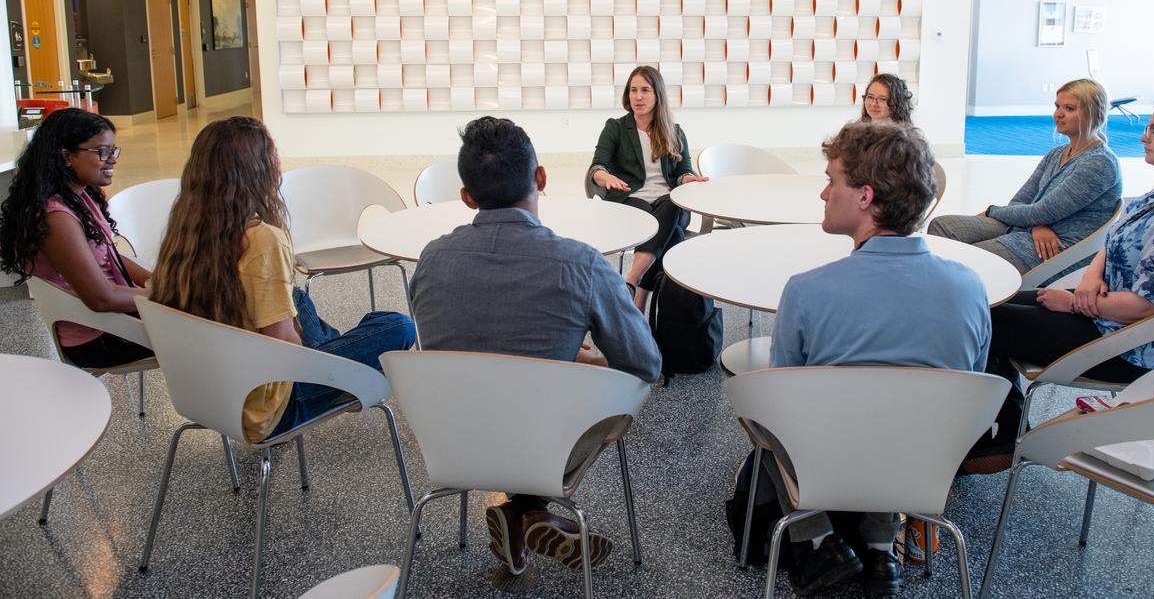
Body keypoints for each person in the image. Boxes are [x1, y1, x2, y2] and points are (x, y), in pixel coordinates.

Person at [411, 116, 661, 579]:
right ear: (541, 178)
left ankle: (519, 511)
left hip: (455, 443)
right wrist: (587, 359)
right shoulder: (580, 263)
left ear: (467, 197)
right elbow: (645, 363)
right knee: (620, 385)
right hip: (548, 449)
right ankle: (530, 507)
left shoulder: (430, 260)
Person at [760, 122, 991, 597]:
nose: (824, 193)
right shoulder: (971, 289)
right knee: (903, 405)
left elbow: (779, 400)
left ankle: (819, 537)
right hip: (925, 470)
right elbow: (974, 383)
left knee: (762, 408)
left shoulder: (807, 291)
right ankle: (883, 552)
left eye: (832, 180)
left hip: (828, 470)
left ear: (865, 197)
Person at [970, 93, 1154, 472]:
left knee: (983, 321)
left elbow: (1145, 307)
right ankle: (1004, 426)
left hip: (1124, 342)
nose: (1144, 137)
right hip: (1101, 312)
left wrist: (1075, 301)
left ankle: (994, 428)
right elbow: (1110, 244)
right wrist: (1090, 281)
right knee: (987, 307)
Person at [148, 117, 415, 445]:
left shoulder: (184, 232)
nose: (279, 161)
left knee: (296, 297)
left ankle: (333, 354)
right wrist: (319, 356)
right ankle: (341, 369)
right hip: (269, 407)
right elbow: (284, 349)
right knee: (398, 326)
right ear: (257, 169)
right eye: (273, 153)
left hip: (213, 394)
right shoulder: (262, 240)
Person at [0, 108, 153, 368]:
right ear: (66, 156)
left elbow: (108, 256)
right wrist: (162, 296)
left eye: (113, 151)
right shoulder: (55, 217)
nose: (112, 160)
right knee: (211, 332)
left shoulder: (80, 196)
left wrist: (153, 280)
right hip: (98, 336)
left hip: (115, 319)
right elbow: (100, 298)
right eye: (101, 151)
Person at [929, 78, 1121, 274]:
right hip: (1033, 231)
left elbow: (1042, 212)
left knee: (969, 258)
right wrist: (1036, 226)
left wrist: (992, 211)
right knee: (942, 226)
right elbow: (1021, 202)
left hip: (1055, 248)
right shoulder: (1057, 153)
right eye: (1057, 106)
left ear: (1093, 114)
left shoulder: (1099, 163)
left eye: (1069, 109)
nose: (1058, 114)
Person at [589, 65, 708, 310]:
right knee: (670, 233)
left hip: (668, 205)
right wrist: (605, 177)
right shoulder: (616, 128)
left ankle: (632, 280)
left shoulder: (674, 131)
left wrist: (688, 179)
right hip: (631, 201)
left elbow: (683, 171)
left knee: (671, 205)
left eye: (645, 90)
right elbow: (597, 166)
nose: (638, 97)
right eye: (633, 90)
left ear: (658, 95)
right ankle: (642, 302)